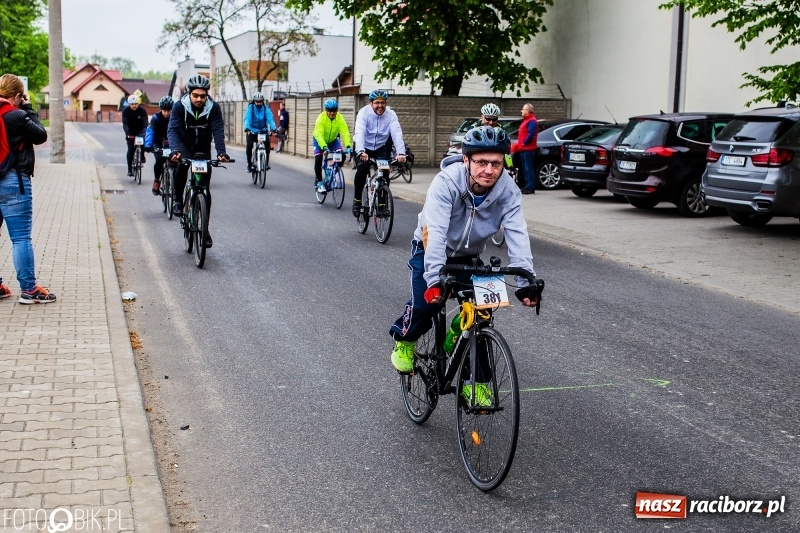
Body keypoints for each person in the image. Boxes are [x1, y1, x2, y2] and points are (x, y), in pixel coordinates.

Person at [388, 126, 540, 403]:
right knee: (426, 304)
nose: (489, 170)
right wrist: (434, 280)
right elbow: (434, 232)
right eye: (481, 162)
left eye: (496, 163)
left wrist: (525, 280)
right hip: (430, 250)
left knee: (482, 313)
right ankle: (405, 338)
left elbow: (518, 233)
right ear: (467, 160)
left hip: (469, 256)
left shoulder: (508, 190)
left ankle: (475, 382)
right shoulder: (446, 182)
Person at [0, 73, 56, 303]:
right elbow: (40, 135)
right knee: (21, 238)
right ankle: (29, 290)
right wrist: (29, 107)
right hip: (13, 181)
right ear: (16, 96)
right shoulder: (16, 115)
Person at [167, 75, 230, 247]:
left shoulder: (213, 108)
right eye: (196, 96)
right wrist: (175, 150)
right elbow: (173, 130)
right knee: (181, 167)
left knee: (205, 189)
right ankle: (178, 200)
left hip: (203, 147)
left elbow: (217, 129)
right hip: (184, 144)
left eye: (202, 96)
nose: (199, 99)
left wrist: (221, 152)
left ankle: (204, 229)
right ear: (190, 94)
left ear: (206, 95)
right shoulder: (180, 106)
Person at [351, 90, 406, 217]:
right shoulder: (364, 113)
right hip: (364, 146)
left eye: (383, 103)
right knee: (362, 169)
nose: (380, 106)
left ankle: (382, 204)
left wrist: (401, 153)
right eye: (377, 103)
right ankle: (357, 200)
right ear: (371, 104)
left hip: (381, 146)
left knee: (384, 171)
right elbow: (359, 132)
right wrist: (360, 151)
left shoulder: (391, 114)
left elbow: (396, 133)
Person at [312, 99, 352, 192]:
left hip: (333, 140)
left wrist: (348, 146)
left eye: (334, 110)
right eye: (329, 111)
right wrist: (324, 147)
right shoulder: (321, 118)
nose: (332, 113)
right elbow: (318, 134)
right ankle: (320, 183)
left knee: (342, 155)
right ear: (326, 110)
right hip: (319, 140)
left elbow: (345, 132)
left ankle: (333, 170)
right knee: (318, 159)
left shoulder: (339, 118)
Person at [144, 96, 174, 195]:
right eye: (164, 110)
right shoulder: (156, 118)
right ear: (161, 109)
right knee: (160, 160)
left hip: (170, 142)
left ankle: (174, 184)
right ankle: (157, 181)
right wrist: (148, 145)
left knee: (175, 162)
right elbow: (150, 131)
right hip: (158, 142)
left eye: (168, 110)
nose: (166, 113)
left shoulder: (174, 118)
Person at [243, 92, 276, 173]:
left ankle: (266, 163)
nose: (258, 103)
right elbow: (247, 118)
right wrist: (247, 128)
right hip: (252, 130)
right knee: (249, 145)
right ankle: (249, 164)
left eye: (260, 101)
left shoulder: (265, 108)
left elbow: (270, 119)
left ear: (262, 101)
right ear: (254, 101)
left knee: (267, 145)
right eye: (257, 101)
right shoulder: (251, 108)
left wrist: (274, 128)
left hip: (263, 131)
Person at [510, 103, 538, 194]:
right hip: (523, 148)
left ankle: (530, 187)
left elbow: (531, 134)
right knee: (525, 168)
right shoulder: (527, 120)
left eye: (523, 109)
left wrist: (524, 142)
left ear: (528, 111)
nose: (521, 111)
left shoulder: (532, 121)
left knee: (528, 168)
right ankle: (527, 186)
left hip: (528, 148)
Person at [121, 94, 148, 177]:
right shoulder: (125, 111)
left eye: (136, 104)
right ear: (129, 104)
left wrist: (145, 131)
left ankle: (142, 155)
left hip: (140, 130)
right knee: (130, 149)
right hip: (130, 132)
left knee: (143, 143)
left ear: (138, 104)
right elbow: (125, 124)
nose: (134, 106)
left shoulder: (142, 111)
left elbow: (145, 122)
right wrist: (128, 134)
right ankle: (129, 169)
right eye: (132, 104)